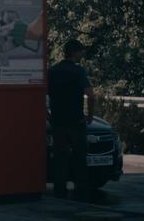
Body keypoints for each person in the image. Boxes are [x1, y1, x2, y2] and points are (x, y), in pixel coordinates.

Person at [48, 39, 94, 200]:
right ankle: (81, 191)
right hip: (76, 122)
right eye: (81, 51)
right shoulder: (78, 71)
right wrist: (89, 115)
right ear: (74, 52)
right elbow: (90, 94)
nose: (83, 54)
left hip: (58, 122)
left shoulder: (53, 70)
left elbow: (45, 94)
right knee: (80, 158)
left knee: (60, 159)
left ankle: (59, 192)